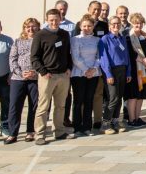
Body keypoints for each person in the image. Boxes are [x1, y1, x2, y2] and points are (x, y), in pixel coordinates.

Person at [31, 9, 72, 145]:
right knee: (43, 106)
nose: (54, 22)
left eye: (56, 19)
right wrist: (43, 72)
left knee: (60, 105)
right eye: (51, 20)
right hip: (47, 76)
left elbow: (68, 53)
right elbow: (35, 57)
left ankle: (59, 131)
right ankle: (40, 134)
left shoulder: (64, 34)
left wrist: (69, 68)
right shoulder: (40, 35)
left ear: (61, 19)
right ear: (47, 20)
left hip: (63, 75)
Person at [5, 18, 40, 144]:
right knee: (15, 106)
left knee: (34, 106)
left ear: (38, 27)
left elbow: (46, 60)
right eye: (28, 27)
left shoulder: (41, 41)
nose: (31, 29)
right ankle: (12, 133)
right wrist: (20, 73)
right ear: (24, 28)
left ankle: (30, 131)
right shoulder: (18, 42)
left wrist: (34, 72)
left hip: (34, 78)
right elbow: (12, 59)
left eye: (34, 26)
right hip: (18, 79)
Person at [98, 16, 132, 134]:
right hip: (111, 71)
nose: (115, 25)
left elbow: (126, 56)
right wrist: (108, 74)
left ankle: (115, 121)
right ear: (109, 25)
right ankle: (105, 123)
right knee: (113, 98)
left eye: (117, 23)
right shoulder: (104, 39)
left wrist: (128, 72)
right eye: (113, 24)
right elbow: (104, 58)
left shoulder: (122, 39)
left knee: (119, 97)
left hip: (122, 70)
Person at [70, 14, 100, 137]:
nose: (87, 28)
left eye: (89, 26)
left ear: (93, 27)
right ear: (80, 26)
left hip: (94, 74)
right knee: (78, 101)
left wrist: (93, 69)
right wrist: (86, 70)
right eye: (84, 26)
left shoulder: (97, 40)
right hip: (78, 74)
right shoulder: (75, 39)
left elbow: (100, 56)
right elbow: (76, 57)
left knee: (89, 100)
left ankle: (87, 127)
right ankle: (77, 127)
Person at [125, 13, 146, 128]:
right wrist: (144, 61)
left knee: (141, 95)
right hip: (134, 70)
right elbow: (131, 54)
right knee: (133, 96)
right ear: (132, 23)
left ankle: (138, 118)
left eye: (141, 22)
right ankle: (131, 119)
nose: (138, 24)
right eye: (136, 22)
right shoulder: (129, 37)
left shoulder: (145, 36)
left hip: (145, 69)